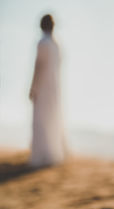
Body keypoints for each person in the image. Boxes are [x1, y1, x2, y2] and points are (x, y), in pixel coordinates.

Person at [29, 14, 66, 167]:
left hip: (44, 86)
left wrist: (33, 87)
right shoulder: (56, 44)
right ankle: (52, 153)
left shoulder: (42, 42)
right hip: (55, 87)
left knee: (41, 118)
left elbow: (39, 66)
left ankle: (41, 155)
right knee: (52, 117)